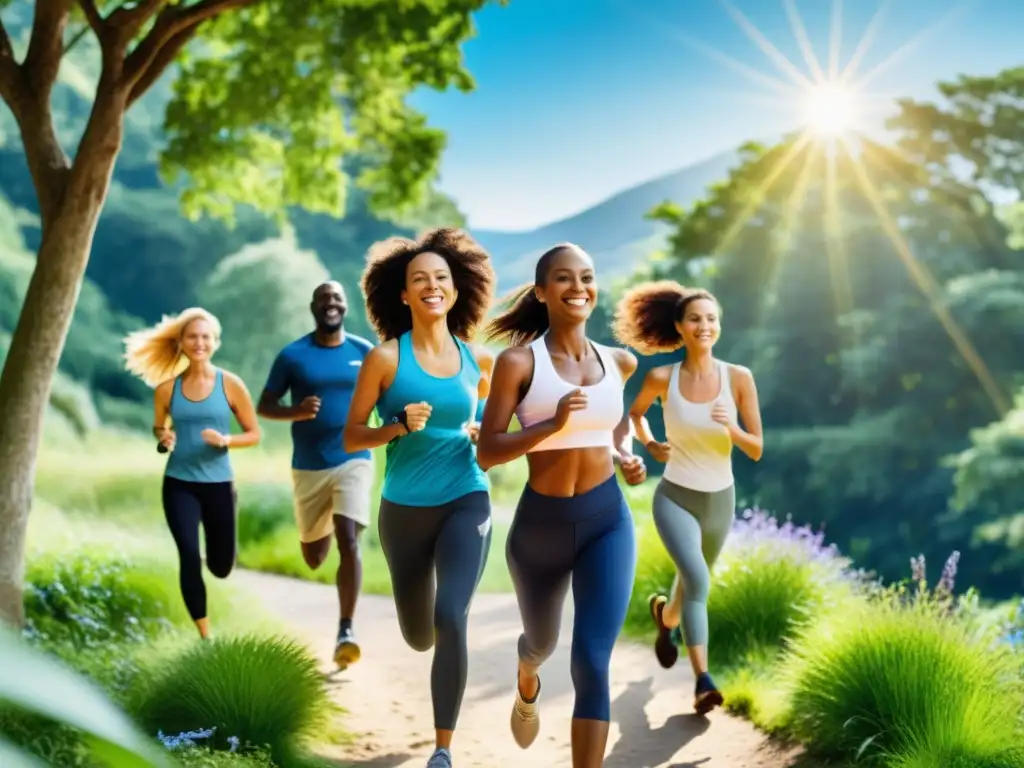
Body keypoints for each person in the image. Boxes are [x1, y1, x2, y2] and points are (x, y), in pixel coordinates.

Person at [476, 243, 647, 768]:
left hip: (606, 522)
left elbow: (616, 424)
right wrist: (550, 425)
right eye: (565, 279)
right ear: (543, 291)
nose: (579, 288)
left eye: (587, 277)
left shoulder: (619, 361)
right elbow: (486, 451)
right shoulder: (518, 363)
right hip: (541, 529)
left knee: (593, 663)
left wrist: (625, 455)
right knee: (542, 644)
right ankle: (527, 676)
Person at [342, 227, 495, 768]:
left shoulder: (479, 361)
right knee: (419, 633)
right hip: (404, 508)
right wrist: (396, 428)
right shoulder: (385, 359)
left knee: (451, 615)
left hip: (466, 496)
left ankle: (443, 748)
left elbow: (491, 423)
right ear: (402, 294)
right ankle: (423, 633)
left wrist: (483, 435)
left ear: (456, 290)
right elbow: (352, 435)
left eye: (441, 278)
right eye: (419, 280)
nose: (431, 286)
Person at [612, 280, 763, 715]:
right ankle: (703, 680)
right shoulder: (662, 377)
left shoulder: (739, 378)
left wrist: (730, 427)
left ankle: (666, 620)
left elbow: (755, 448)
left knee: (689, 586)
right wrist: (650, 442)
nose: (704, 326)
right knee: (697, 582)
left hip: (721, 501)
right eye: (695, 319)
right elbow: (635, 414)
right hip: (675, 497)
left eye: (711, 319)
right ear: (679, 327)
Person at [257, 281, 375, 670]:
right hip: (309, 464)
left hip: (354, 457)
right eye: (324, 300)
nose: (331, 305)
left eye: (337, 299)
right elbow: (265, 406)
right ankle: (315, 536)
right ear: (313, 307)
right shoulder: (293, 356)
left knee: (349, 539)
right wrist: (296, 412)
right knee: (313, 556)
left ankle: (346, 630)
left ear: (346, 307)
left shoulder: (364, 352)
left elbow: (389, 396)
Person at [123, 307, 261, 640]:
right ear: (181, 343)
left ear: (215, 342)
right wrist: (164, 438)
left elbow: (254, 433)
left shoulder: (231, 385)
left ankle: (215, 555)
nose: (199, 343)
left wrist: (226, 440)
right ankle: (204, 635)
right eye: (192, 337)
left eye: (205, 337)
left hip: (219, 484)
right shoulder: (167, 389)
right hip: (179, 484)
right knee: (188, 554)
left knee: (221, 566)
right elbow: (159, 427)